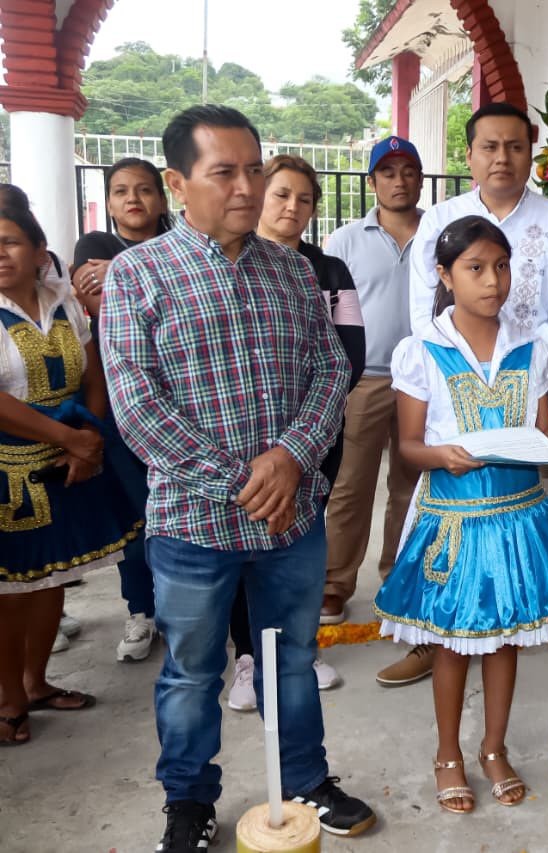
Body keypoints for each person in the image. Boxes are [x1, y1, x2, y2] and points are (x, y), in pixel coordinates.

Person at [99, 105, 375, 850]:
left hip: (293, 517)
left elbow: (329, 369)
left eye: (254, 168)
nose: (248, 187)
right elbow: (137, 404)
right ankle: (189, 800)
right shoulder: (138, 276)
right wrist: (241, 481)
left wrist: (292, 457)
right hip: (194, 524)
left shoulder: (292, 267)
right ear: (177, 182)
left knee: (292, 659)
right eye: (225, 172)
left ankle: (308, 780)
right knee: (191, 671)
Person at [376, 215, 548, 813]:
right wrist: (442, 455)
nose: (493, 281)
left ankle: (494, 747)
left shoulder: (531, 349)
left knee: (505, 641)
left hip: (519, 517)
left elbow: (542, 431)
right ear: (444, 275)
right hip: (455, 522)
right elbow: (409, 446)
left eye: (501, 266)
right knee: (452, 645)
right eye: (475, 268)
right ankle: (448, 754)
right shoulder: (422, 352)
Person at [409, 102, 548, 676]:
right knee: (439, 521)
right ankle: (432, 631)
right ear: (469, 155)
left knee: (543, 516)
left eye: (515, 145)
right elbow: (422, 315)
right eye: (490, 146)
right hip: (450, 390)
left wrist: (517, 359)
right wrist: (466, 365)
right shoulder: (439, 221)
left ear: (530, 150)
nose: (502, 157)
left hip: (529, 392)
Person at [221, 153, 366, 708]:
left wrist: (300, 437)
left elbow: (348, 356)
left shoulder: (329, 270)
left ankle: (299, 650)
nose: (292, 207)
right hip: (238, 437)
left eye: (304, 199)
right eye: (282, 194)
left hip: (313, 435)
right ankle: (248, 658)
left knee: (299, 539)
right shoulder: (231, 264)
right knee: (243, 542)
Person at [0, 184, 139, 745]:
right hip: (10, 474)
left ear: (38, 251)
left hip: (68, 462)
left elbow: (92, 371)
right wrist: (70, 438)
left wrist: (88, 434)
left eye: (10, 243)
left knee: (54, 577)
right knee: (12, 591)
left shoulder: (61, 299)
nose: (0, 254)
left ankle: (37, 681)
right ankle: (8, 695)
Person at [322, 135, 424, 685]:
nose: (399, 180)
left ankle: (396, 580)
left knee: (411, 488)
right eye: (388, 172)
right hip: (364, 379)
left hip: (423, 384)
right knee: (350, 486)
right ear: (372, 182)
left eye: (408, 170)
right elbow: (330, 310)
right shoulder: (344, 241)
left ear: (420, 179)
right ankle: (335, 584)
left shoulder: (437, 232)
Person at [70, 156, 171, 663]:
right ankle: (142, 610)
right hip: (121, 402)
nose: (133, 199)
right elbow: (95, 301)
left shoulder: (184, 246)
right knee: (138, 515)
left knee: (178, 513)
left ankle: (184, 609)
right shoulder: (95, 247)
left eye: (145, 189)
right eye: (120, 191)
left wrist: (125, 278)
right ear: (108, 203)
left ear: (163, 197)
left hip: (182, 399)